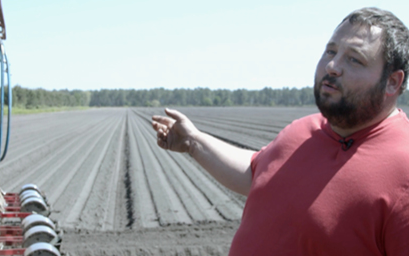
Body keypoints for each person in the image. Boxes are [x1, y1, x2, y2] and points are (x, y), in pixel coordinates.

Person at [151, 7, 409, 256]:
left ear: (392, 82)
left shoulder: (403, 168)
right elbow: (257, 175)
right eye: (330, 51)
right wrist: (193, 142)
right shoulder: (302, 130)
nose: (332, 65)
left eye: (354, 59)